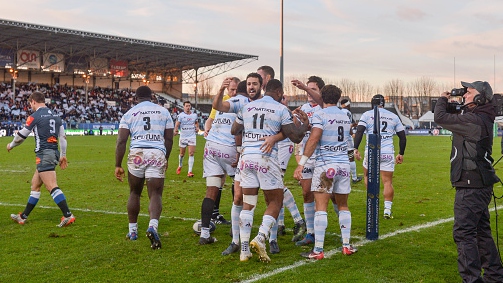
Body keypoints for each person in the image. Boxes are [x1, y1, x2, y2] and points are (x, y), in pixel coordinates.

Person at [231, 79, 309, 263]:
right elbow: (296, 137)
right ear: (280, 92)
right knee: (275, 200)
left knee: (248, 203)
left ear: (264, 89)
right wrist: (305, 125)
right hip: (265, 158)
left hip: (246, 158)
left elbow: (235, 129)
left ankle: (244, 250)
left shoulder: (248, 106)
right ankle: (260, 237)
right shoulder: (281, 109)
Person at [434, 81, 503, 282]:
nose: (464, 95)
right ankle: (495, 275)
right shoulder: (478, 117)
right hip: (477, 183)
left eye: (469, 92)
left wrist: (442, 99)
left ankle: (472, 279)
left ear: (481, 98)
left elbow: (439, 117)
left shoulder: (475, 120)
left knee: (464, 233)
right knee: (481, 233)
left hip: (471, 184)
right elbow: (447, 114)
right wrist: (449, 103)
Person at [294, 84, 357, 260]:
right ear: (338, 97)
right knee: (343, 205)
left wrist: (302, 164)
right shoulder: (345, 115)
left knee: (321, 207)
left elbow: (314, 139)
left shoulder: (320, 114)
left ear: (321, 96)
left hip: (326, 166)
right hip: (343, 166)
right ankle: (346, 246)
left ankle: (318, 250)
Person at [115, 86, 174, 250]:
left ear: (136, 98)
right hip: (156, 153)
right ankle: (152, 227)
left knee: (134, 192)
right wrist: (166, 157)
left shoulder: (129, 114)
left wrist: (118, 165)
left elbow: (121, 141)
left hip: (137, 154)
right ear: (152, 96)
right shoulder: (163, 112)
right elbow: (169, 139)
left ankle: (132, 231)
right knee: (155, 193)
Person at [8, 91, 75, 227]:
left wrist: (11, 145)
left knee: (51, 186)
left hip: (44, 154)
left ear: (33, 101)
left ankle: (68, 215)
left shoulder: (35, 116)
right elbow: (63, 137)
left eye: (30, 104)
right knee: (35, 185)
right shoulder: (56, 116)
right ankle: (23, 217)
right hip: (53, 152)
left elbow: (21, 136)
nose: (30, 106)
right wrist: (63, 154)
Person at [212, 74, 262, 257]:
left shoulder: (268, 104)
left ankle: (270, 238)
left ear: (261, 86)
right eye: (249, 84)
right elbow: (218, 106)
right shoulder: (240, 103)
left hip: (266, 157)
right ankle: (236, 241)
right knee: (238, 197)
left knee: (274, 198)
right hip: (246, 157)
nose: (251, 87)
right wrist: (219, 90)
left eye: (255, 84)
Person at [198, 78, 243, 245]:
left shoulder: (223, 103)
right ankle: (235, 229)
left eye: (235, 90)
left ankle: (204, 234)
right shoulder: (238, 103)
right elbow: (237, 129)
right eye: (231, 90)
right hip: (228, 148)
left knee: (212, 190)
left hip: (211, 148)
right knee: (237, 186)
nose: (233, 93)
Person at [353, 94, 406, 219]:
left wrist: (355, 148)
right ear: (384, 104)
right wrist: (401, 153)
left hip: (371, 150)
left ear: (372, 103)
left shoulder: (367, 114)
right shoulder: (393, 116)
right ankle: (387, 210)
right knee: (387, 182)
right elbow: (402, 137)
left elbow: (359, 131)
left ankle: (373, 203)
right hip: (387, 152)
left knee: (367, 176)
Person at [291, 75, 325, 246]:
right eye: (308, 89)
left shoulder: (324, 106)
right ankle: (310, 233)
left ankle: (342, 230)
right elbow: (297, 134)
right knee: (306, 193)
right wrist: (295, 120)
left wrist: (304, 86)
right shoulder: (302, 108)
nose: (309, 92)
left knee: (328, 196)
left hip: (323, 157)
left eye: (314, 89)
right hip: (307, 157)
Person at [339, 99, 362, 184]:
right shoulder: (347, 112)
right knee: (350, 158)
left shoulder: (340, 112)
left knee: (340, 157)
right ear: (346, 105)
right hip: (347, 137)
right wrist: (352, 133)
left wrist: (353, 125)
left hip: (339, 138)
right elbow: (347, 126)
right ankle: (354, 178)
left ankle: (340, 176)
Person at [174, 101, 199, 177]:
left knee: (191, 153)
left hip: (192, 136)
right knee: (182, 154)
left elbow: (196, 123)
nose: (188, 107)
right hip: (183, 136)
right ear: (184, 107)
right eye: (186, 106)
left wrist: (197, 128)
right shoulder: (181, 115)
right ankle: (180, 165)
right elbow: (177, 124)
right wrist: (175, 130)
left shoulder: (194, 115)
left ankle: (190, 171)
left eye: (189, 106)